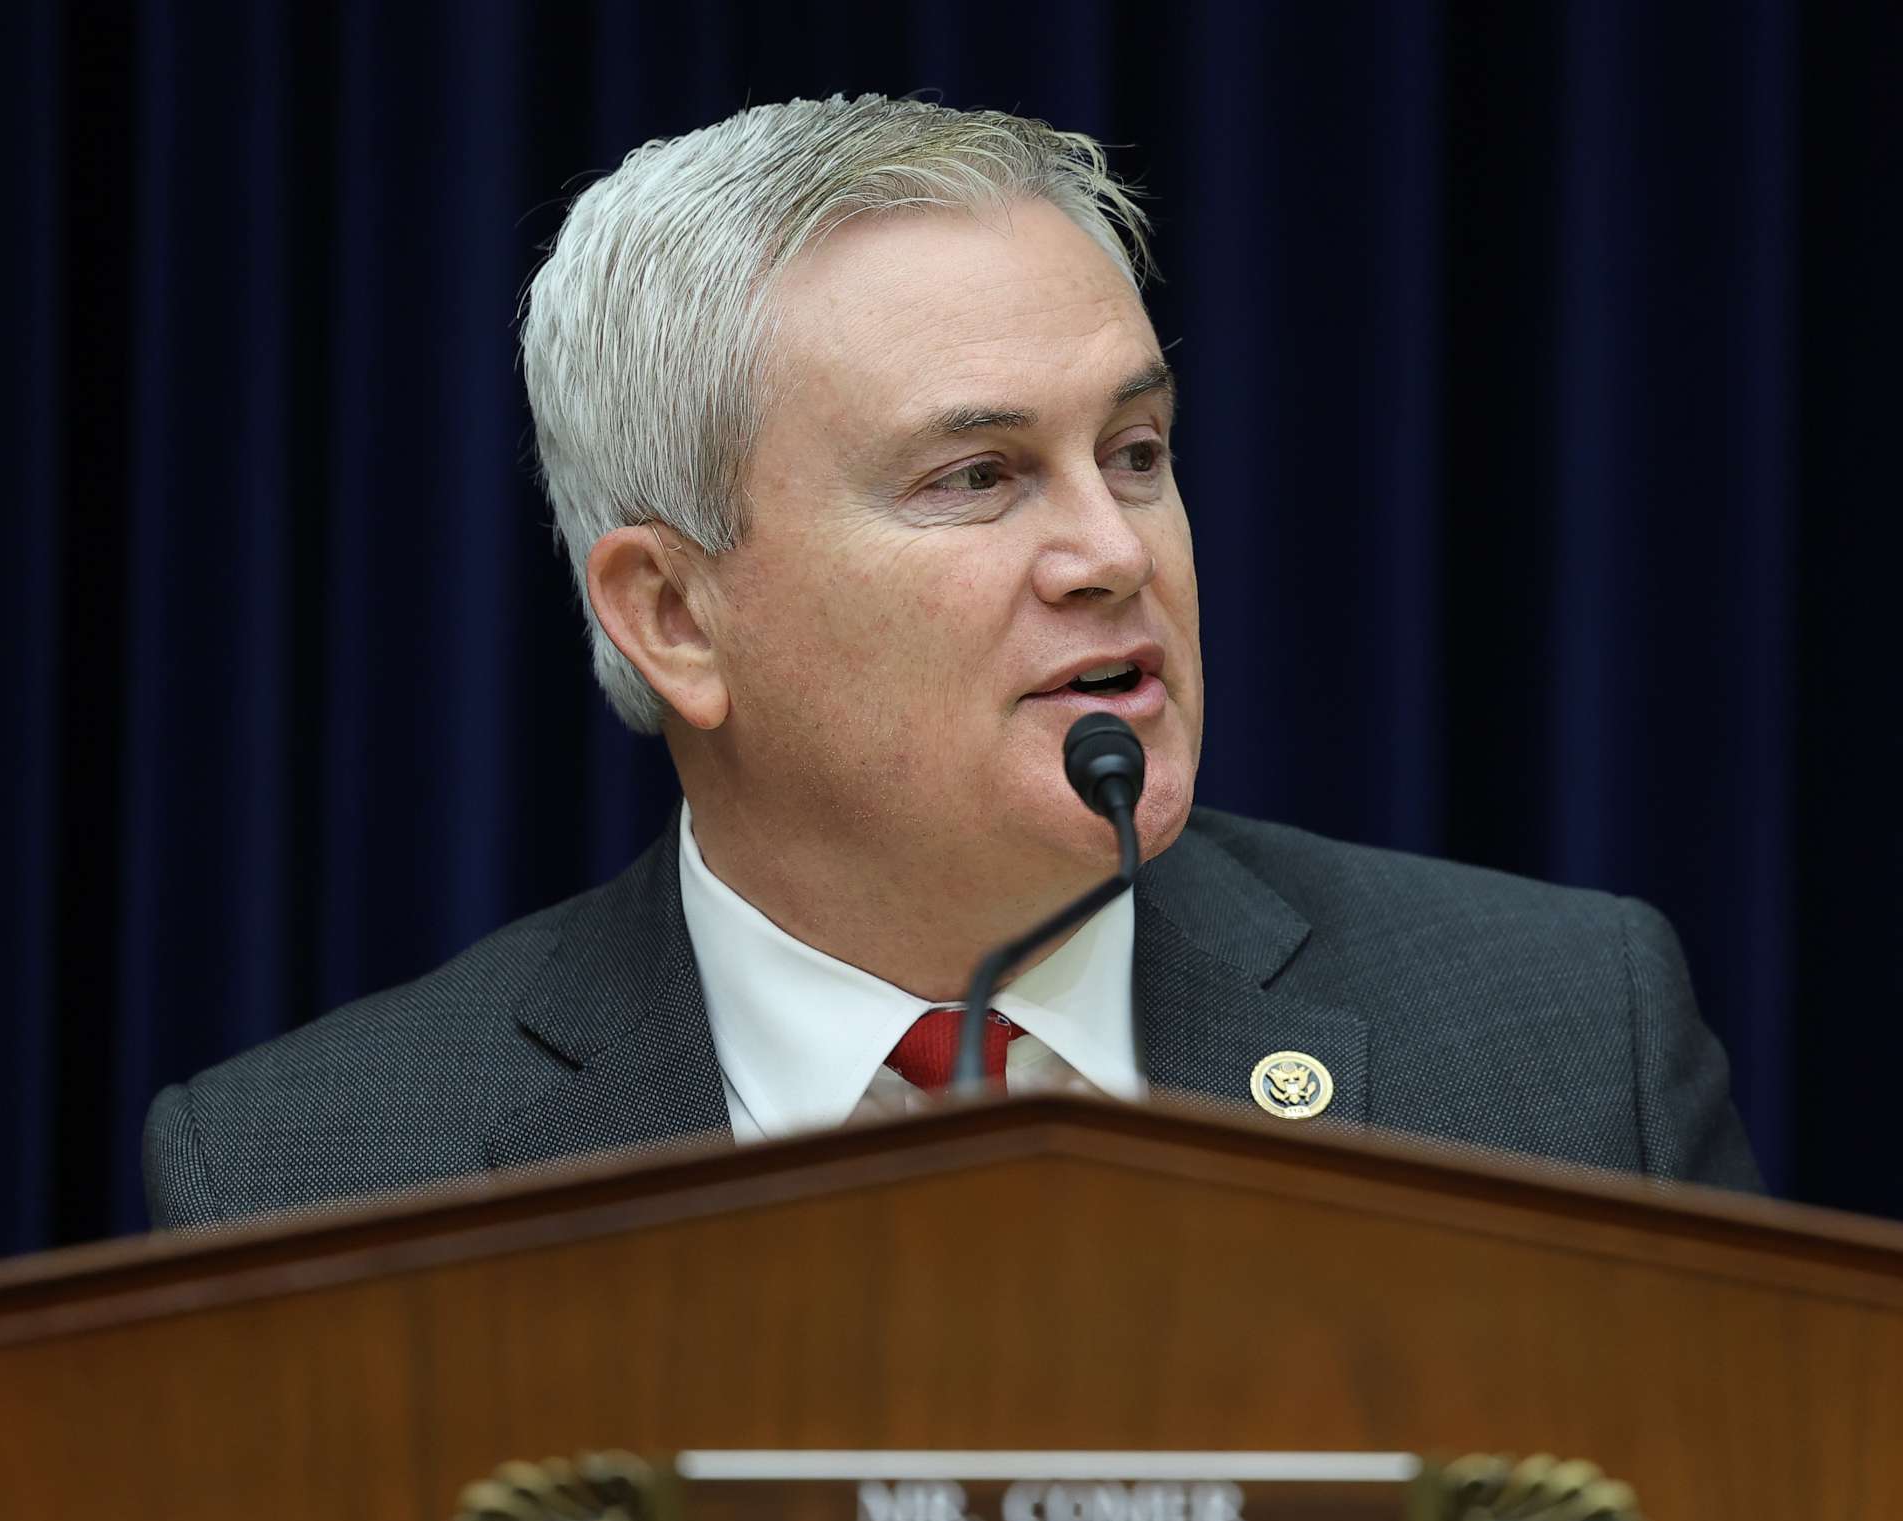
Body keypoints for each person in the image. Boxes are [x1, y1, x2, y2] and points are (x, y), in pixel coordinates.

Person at [144, 96, 1761, 1228]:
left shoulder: (1555, 1046)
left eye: (1135, 451)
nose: (1114, 553)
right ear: (673, 617)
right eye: (976, 477)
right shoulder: (322, 1174)